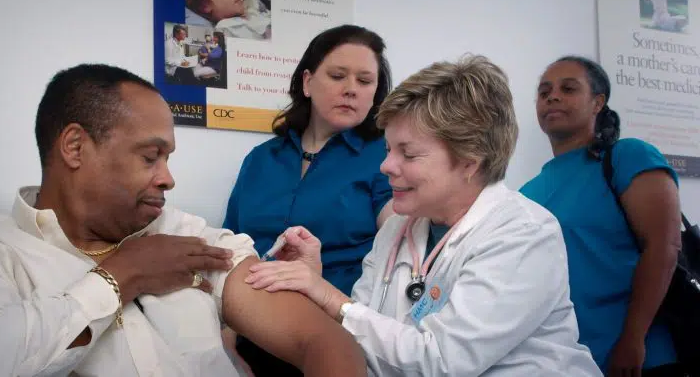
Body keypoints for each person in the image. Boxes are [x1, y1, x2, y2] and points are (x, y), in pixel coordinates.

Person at [0, 64, 368, 376]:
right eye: (150, 156)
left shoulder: (188, 238)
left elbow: (324, 342)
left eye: (167, 158)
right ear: (75, 147)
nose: (168, 179)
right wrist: (122, 276)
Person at [244, 55, 603, 376]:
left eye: (408, 154)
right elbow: (363, 338)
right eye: (388, 149)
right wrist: (313, 283)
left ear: (470, 161)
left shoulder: (524, 233)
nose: (386, 166)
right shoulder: (398, 229)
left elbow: (442, 362)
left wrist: (327, 296)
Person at [222, 24, 394, 376]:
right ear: (307, 82)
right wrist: (224, 337)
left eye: (365, 81)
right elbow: (229, 250)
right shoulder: (261, 159)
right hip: (252, 332)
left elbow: (401, 239)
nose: (351, 89)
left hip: (339, 337)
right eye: (338, 76)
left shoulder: (387, 158)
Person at [520, 56, 683, 376]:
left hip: (637, 357)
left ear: (598, 102)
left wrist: (633, 338)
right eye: (544, 92)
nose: (552, 97)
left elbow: (664, 246)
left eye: (568, 89)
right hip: (565, 362)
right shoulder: (526, 192)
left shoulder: (627, 156)